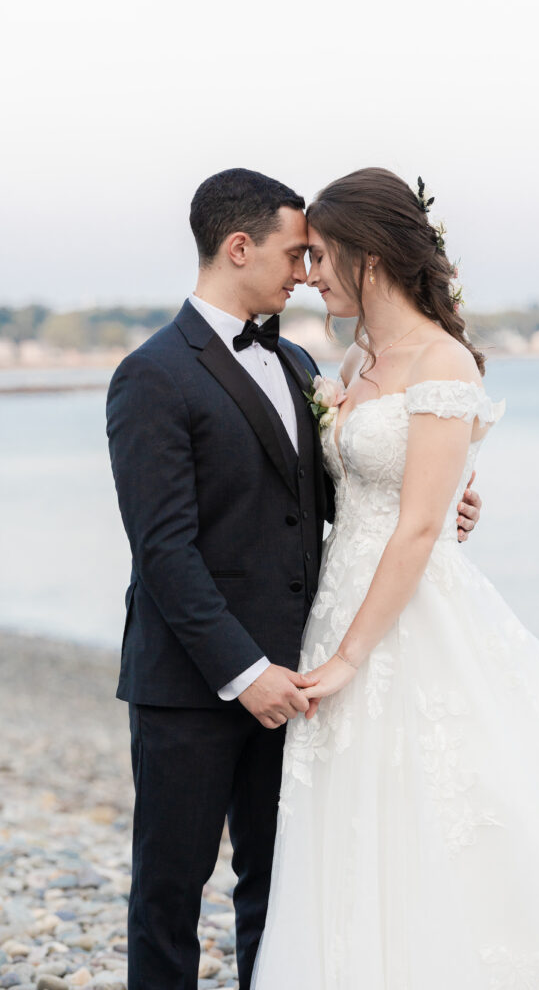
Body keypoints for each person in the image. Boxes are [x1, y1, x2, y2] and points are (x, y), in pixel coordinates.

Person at [252, 168, 539, 989]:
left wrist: (347, 657)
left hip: (408, 615)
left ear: (367, 258)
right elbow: (358, 490)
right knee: (360, 812)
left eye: (320, 256)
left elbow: (417, 526)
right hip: (343, 594)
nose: (309, 276)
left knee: (452, 806)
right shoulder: (354, 363)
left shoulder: (441, 358)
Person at [105, 167, 483, 990]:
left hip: (302, 674)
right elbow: (162, 549)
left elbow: (344, 499)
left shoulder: (310, 370)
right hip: (194, 682)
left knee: (281, 893)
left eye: (316, 255)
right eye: (294, 253)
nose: (307, 272)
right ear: (238, 248)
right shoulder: (152, 375)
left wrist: (442, 501)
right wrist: (244, 674)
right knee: (168, 893)